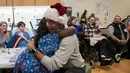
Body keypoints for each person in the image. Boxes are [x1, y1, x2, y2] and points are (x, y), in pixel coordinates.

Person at [27, 3, 86, 73]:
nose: (48, 25)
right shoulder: (52, 32)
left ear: (61, 24)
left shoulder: (69, 38)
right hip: (60, 66)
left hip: (74, 68)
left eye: (51, 22)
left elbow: (52, 65)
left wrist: (33, 50)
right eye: (47, 21)